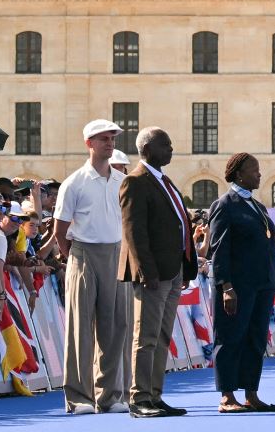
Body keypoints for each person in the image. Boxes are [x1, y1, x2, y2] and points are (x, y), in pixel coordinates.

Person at [119, 127, 198, 418]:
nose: (172, 149)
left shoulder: (164, 181)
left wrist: (187, 266)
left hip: (174, 269)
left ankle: (155, 395)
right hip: (153, 273)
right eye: (166, 145)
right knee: (146, 336)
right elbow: (133, 231)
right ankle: (139, 399)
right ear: (149, 148)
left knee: (163, 336)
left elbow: (180, 225)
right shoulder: (135, 181)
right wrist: (145, 271)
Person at [55, 119, 130, 415]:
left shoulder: (122, 182)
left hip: (116, 253)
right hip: (83, 254)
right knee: (80, 328)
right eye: (103, 139)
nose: (110, 143)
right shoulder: (74, 182)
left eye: (112, 138)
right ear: (89, 143)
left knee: (116, 328)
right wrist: (71, 257)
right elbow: (60, 231)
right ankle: (78, 397)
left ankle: (110, 396)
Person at [205, 153, 275, 414]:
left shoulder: (258, 207)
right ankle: (227, 396)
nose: (259, 174)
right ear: (239, 174)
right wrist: (226, 287)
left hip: (263, 285)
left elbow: (270, 248)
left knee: (255, 340)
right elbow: (218, 250)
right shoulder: (224, 205)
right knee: (230, 338)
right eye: (254, 170)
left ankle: (251, 393)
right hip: (237, 286)